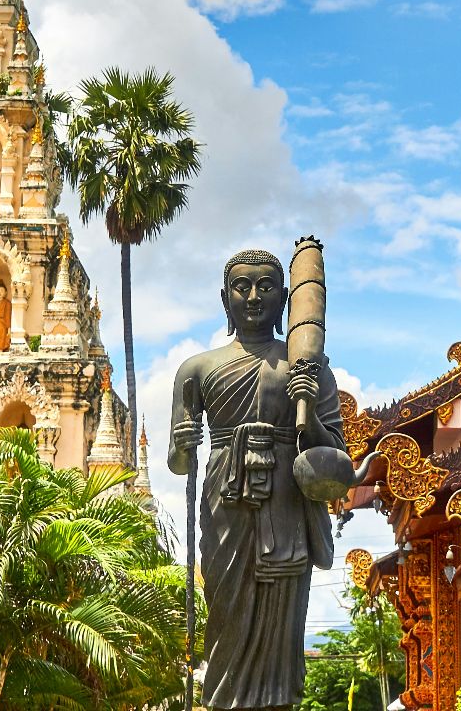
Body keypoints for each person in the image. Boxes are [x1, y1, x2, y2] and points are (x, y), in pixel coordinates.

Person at [170, 249, 345, 711]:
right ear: (223, 299)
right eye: (241, 287)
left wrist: (308, 415)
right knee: (227, 615)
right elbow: (178, 462)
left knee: (282, 624)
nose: (252, 297)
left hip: (286, 501)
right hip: (225, 502)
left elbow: (336, 459)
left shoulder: (308, 368)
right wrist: (184, 441)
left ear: (285, 298)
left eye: (266, 287)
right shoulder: (197, 369)